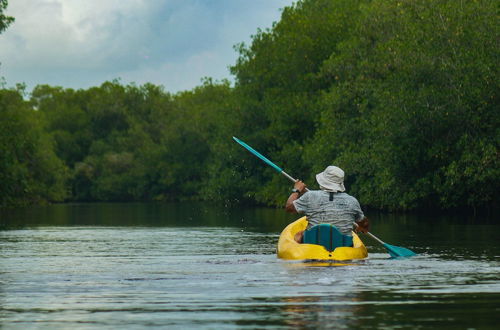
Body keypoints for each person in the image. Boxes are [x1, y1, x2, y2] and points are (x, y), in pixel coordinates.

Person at [285, 165, 369, 243]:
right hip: (342, 243)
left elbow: (289, 207)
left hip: (314, 240)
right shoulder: (352, 201)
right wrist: (362, 227)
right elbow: (364, 223)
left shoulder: (310, 196)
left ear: (323, 181)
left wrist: (297, 190)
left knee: (299, 234)